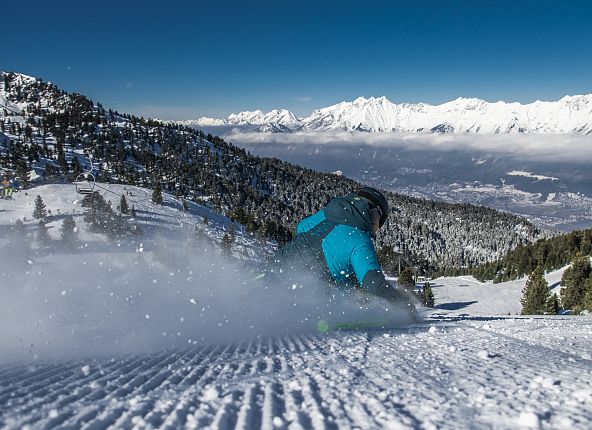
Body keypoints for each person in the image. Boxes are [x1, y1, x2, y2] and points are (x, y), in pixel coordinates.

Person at [270, 187, 405, 303]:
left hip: (277, 265)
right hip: (302, 288)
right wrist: (403, 304)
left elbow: (301, 228)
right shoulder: (360, 240)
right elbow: (374, 285)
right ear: (375, 217)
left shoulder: (324, 214)